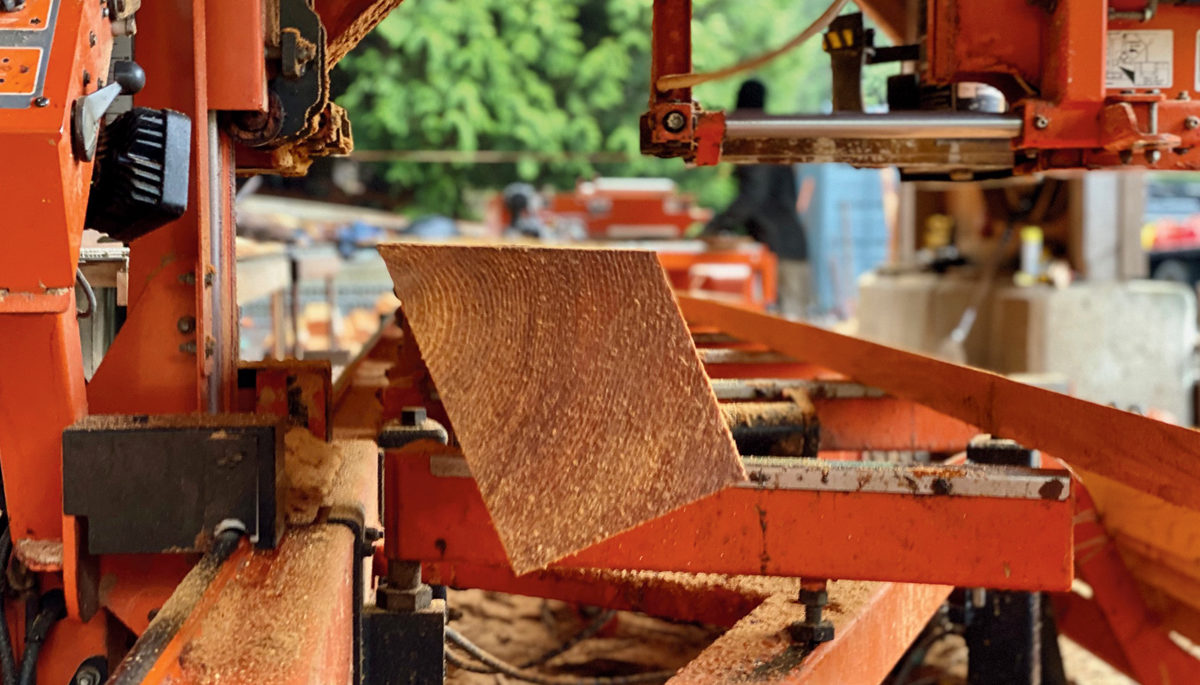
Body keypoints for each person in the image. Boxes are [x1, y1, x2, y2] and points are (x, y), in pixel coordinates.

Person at [705, 79, 811, 319]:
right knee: (788, 323)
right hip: (784, 244)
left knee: (789, 325)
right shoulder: (770, 135)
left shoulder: (754, 138)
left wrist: (716, 225)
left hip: (780, 250)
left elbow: (753, 195)